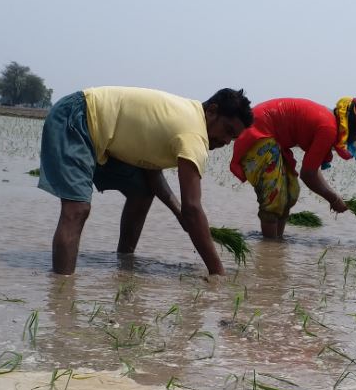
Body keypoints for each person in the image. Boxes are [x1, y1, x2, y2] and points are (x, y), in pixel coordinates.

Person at [37, 86, 253, 275]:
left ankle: (124, 262)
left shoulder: (189, 117)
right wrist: (217, 272)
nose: (226, 141)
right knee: (77, 209)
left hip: (102, 138)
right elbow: (193, 208)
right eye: (227, 131)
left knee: (141, 190)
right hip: (78, 117)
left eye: (232, 138)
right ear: (212, 111)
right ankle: (62, 293)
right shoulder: (194, 134)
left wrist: (178, 213)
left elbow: (151, 171)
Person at [230, 96, 356, 238]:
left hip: (271, 135)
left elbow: (312, 170)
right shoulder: (328, 128)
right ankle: (270, 249)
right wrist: (334, 199)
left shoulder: (329, 123)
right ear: (353, 129)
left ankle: (276, 241)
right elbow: (308, 174)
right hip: (259, 131)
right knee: (274, 198)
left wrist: (335, 197)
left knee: (290, 192)